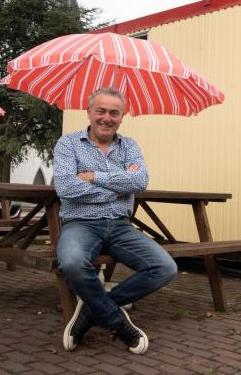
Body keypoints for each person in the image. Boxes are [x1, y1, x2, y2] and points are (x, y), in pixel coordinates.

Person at [53, 87, 177, 353]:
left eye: (114, 113)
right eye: (101, 111)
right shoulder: (68, 144)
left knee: (165, 268)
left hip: (121, 226)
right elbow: (66, 188)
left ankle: (91, 310)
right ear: (89, 113)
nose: (106, 118)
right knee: (73, 262)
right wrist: (119, 186)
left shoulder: (129, 146)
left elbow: (140, 181)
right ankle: (117, 324)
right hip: (81, 224)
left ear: (122, 117)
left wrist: (92, 176)